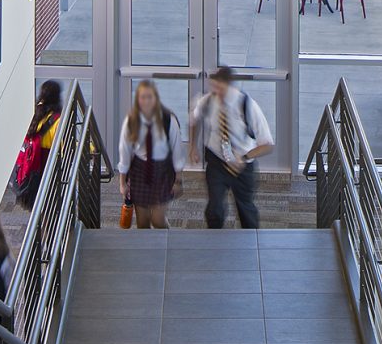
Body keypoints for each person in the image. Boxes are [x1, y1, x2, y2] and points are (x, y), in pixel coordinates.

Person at [189, 67, 275, 229]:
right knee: (214, 209)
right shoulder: (208, 100)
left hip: (242, 163)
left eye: (220, 88)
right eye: (213, 87)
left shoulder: (247, 105)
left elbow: (267, 145)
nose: (216, 92)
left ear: (230, 86)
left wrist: (243, 159)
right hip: (216, 160)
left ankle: (251, 244)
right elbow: (194, 119)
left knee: (245, 209)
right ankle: (215, 242)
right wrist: (193, 147)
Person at [117, 79, 183, 229]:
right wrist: (122, 183)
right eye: (143, 97)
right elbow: (125, 152)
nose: (146, 101)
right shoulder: (132, 120)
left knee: (158, 220)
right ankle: (148, 252)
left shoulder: (168, 119)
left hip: (163, 171)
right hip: (140, 171)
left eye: (150, 97)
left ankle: (168, 245)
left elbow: (177, 150)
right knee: (143, 221)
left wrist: (178, 181)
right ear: (138, 100)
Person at [12, 81, 63, 209]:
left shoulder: (34, 116)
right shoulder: (57, 119)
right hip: (48, 166)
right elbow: (64, 145)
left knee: (38, 207)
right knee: (50, 206)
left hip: (32, 170)